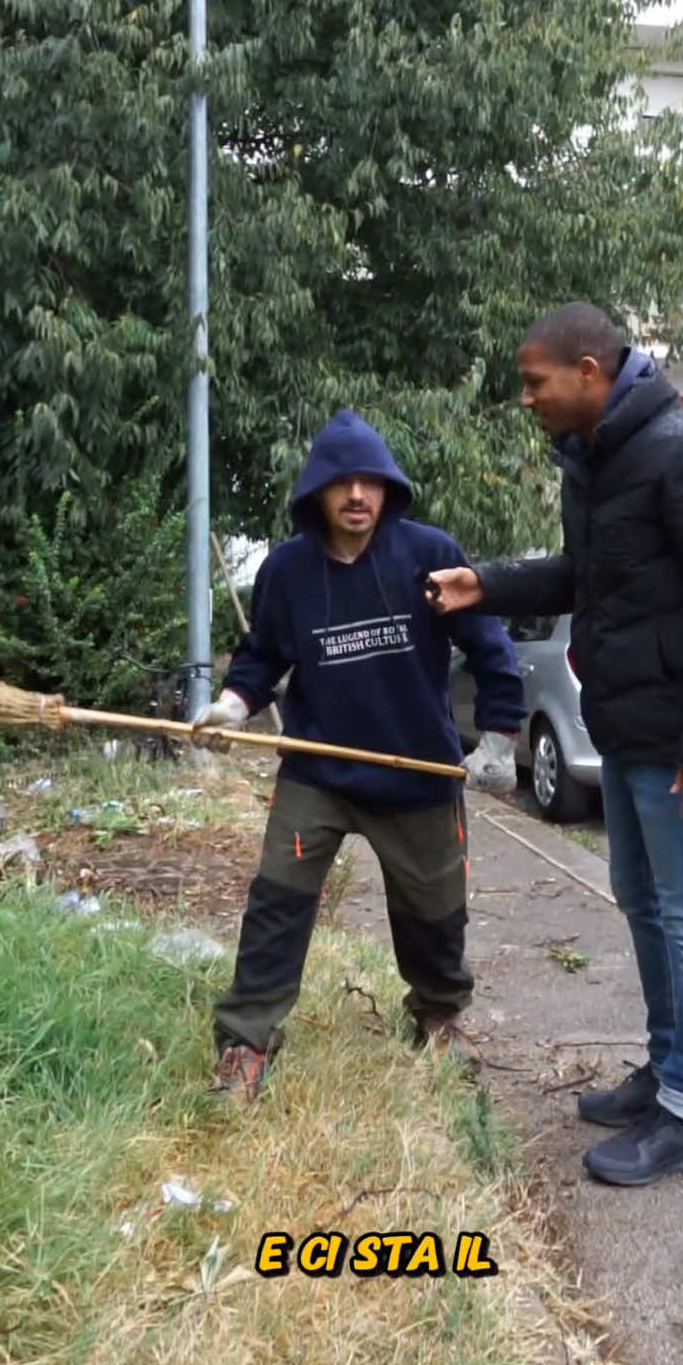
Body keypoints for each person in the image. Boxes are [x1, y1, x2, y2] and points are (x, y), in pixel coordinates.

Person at [428, 302, 683, 1186]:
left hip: (681, 745)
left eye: (535, 382)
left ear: (589, 372)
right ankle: (665, 1073)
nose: (527, 399)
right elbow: (586, 576)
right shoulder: (598, 459)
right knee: (642, 902)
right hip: (622, 728)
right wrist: (488, 583)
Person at [193, 408, 527, 1100]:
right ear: (316, 490)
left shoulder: (427, 554)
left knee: (435, 909)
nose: (356, 496)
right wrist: (232, 705)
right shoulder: (286, 571)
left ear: (387, 489)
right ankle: (247, 1041)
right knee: (276, 902)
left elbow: (490, 645)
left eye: (370, 482)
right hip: (318, 769)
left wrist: (499, 737)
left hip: (417, 772)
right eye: (341, 482)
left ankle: (437, 1017)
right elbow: (261, 658)